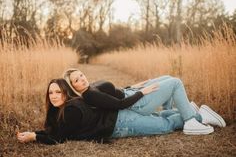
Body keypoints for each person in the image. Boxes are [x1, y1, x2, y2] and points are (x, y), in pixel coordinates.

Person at [63, 68, 226, 135]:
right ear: (73, 86)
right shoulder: (89, 96)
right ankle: (190, 120)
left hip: (131, 93)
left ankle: (184, 111)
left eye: (81, 75)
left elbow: (113, 93)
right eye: (76, 80)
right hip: (136, 103)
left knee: (167, 78)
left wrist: (133, 86)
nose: (81, 80)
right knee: (175, 82)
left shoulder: (91, 87)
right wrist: (142, 92)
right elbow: (120, 104)